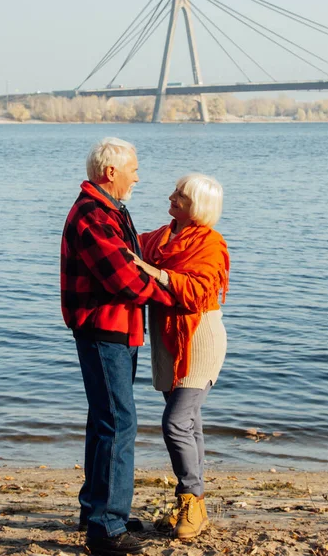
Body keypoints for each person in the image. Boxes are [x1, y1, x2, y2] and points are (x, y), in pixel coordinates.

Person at [60, 137, 175, 556]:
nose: (138, 176)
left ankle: (98, 510)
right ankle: (106, 528)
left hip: (120, 330)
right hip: (102, 329)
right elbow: (124, 278)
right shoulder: (93, 214)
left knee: (105, 418)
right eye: (134, 169)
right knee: (118, 422)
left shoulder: (111, 209)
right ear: (111, 172)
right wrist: (171, 290)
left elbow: (133, 259)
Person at [131, 173, 230, 540]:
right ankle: (194, 506)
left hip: (199, 337)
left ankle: (192, 497)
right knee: (190, 424)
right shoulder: (159, 236)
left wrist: (153, 272)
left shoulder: (210, 243)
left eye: (181, 195)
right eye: (174, 191)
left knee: (175, 423)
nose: (171, 197)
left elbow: (198, 290)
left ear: (198, 206)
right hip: (168, 339)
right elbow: (130, 250)